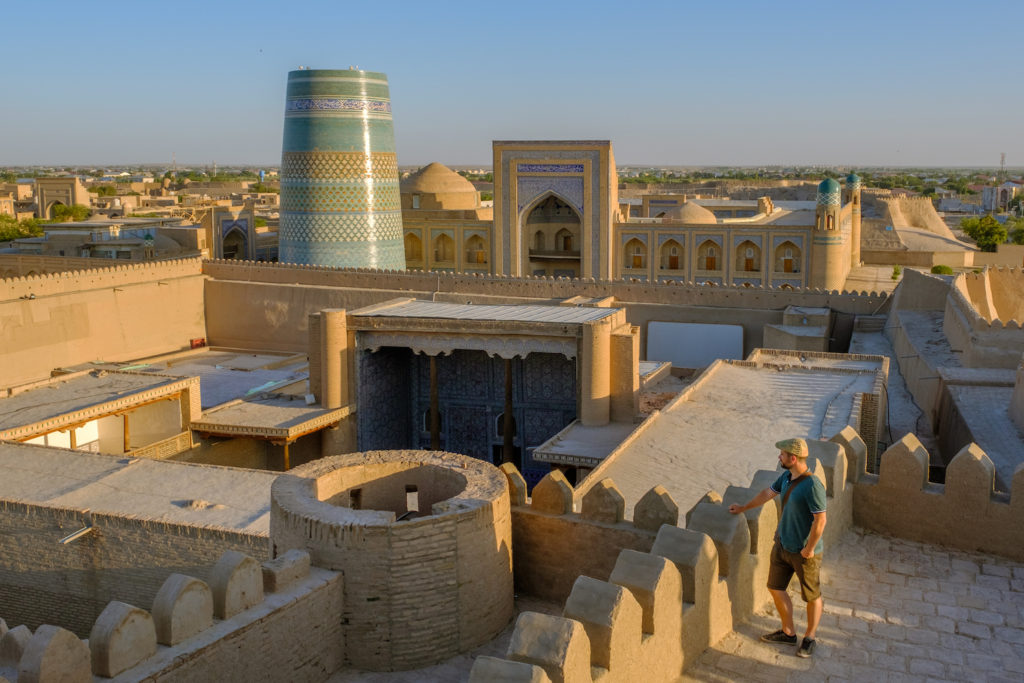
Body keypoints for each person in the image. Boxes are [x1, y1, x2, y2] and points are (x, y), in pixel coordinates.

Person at [728, 437, 827, 658]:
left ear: (793, 458)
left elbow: (820, 520)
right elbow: (767, 494)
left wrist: (809, 549)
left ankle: (809, 637)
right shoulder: (786, 477)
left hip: (804, 552)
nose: (779, 457)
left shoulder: (813, 486)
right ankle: (788, 632)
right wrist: (744, 507)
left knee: (812, 596)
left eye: (782, 455)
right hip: (782, 546)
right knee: (775, 587)